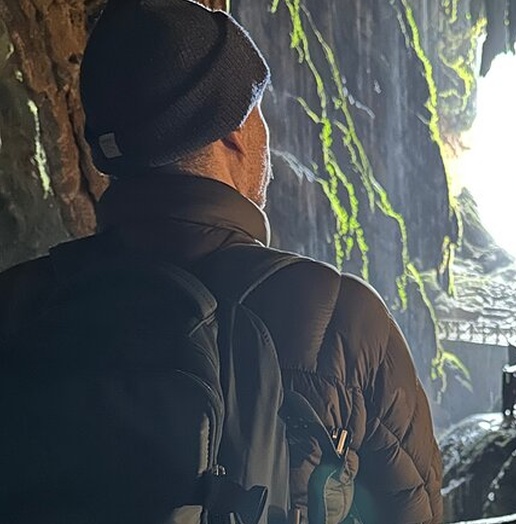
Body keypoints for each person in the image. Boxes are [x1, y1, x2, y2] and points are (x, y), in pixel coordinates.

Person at [0, 0, 443, 522]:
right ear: (233, 130)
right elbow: (418, 511)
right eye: (258, 112)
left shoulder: (16, 303)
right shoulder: (342, 318)